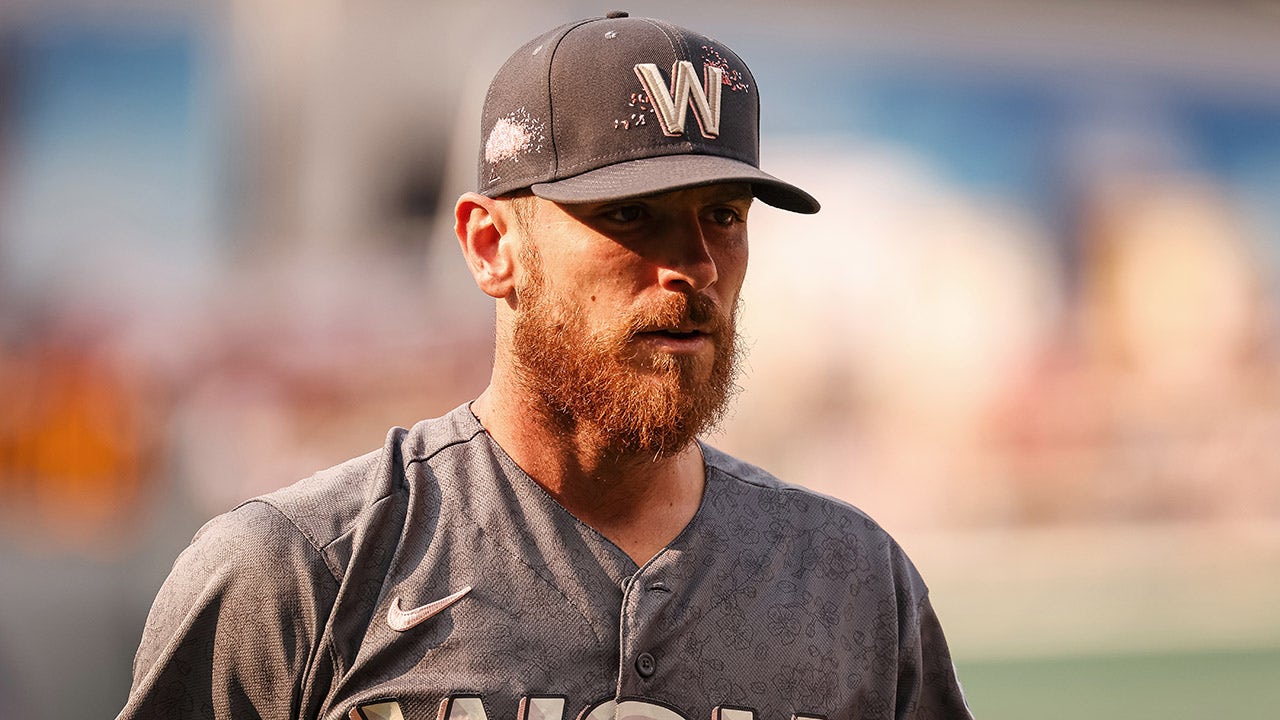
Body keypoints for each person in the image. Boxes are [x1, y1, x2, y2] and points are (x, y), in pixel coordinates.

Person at [118, 12, 972, 720]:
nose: (696, 265)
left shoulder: (853, 583)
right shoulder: (304, 572)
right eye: (633, 214)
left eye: (722, 213)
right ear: (492, 247)